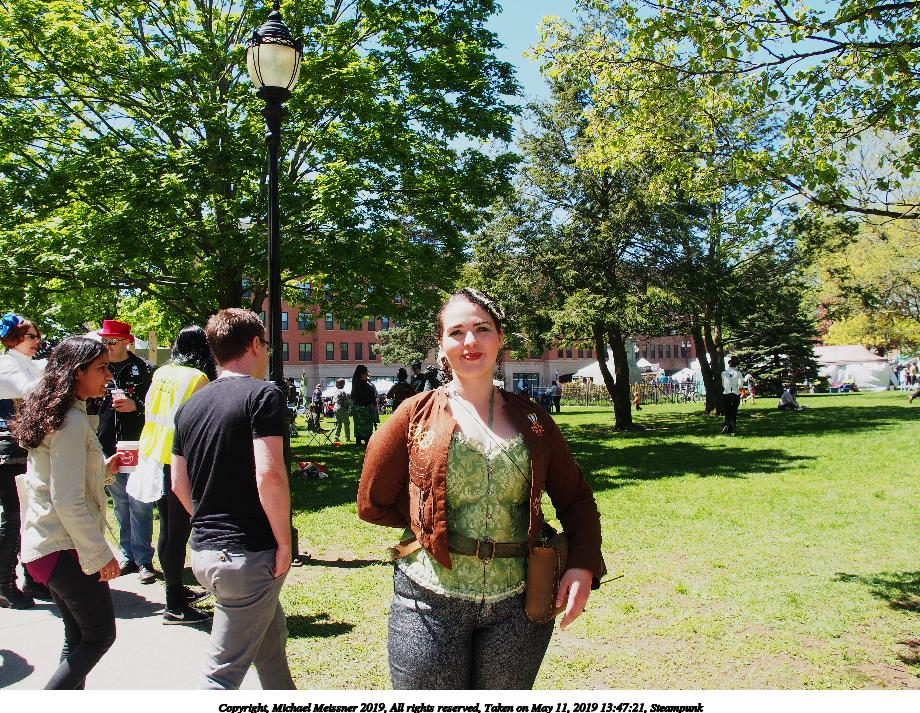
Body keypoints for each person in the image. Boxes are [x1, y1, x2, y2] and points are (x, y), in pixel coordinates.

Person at [358, 288, 605, 690]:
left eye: (482, 329)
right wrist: (429, 524)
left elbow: (575, 498)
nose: (470, 341)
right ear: (441, 344)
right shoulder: (414, 414)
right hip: (428, 601)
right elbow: (372, 502)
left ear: (500, 338)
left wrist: (583, 564)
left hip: (519, 607)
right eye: (456, 332)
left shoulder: (534, 420)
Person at [171, 308, 294, 690]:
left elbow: (177, 482)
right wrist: (284, 543)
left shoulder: (190, 406)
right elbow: (269, 475)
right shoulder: (263, 394)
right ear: (255, 344)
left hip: (205, 554)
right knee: (220, 677)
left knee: (270, 646)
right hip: (246, 557)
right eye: (266, 345)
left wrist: (207, 525)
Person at [14, 337, 122, 688]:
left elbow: (58, 481)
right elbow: (67, 500)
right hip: (62, 547)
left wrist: (103, 470)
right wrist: (100, 554)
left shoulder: (60, 414)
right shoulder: (71, 421)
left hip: (47, 546)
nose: (108, 375)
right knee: (99, 636)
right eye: (102, 368)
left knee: (78, 639)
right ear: (77, 373)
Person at [133, 326, 216, 625]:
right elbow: (204, 424)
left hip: (155, 455)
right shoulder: (198, 378)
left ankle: (176, 590)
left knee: (168, 529)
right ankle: (174, 604)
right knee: (178, 533)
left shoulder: (161, 372)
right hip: (179, 460)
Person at [95, 320, 155, 582]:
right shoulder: (97, 368)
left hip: (137, 445)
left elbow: (156, 405)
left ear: (126, 342)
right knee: (120, 503)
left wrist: (136, 405)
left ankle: (143, 559)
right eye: (104, 341)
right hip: (108, 445)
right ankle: (127, 555)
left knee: (140, 503)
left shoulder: (144, 369)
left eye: (111, 341)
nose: (106, 346)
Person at [0, 313, 51, 607]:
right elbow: (31, 391)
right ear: (14, 338)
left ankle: (33, 578)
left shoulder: (30, 363)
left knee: (31, 516)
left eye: (38, 336)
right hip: (7, 451)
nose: (37, 341)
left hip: (26, 449)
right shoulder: (7, 364)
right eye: (31, 336)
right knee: (14, 516)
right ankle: (4, 583)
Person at [350, 365, 378, 447]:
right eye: (366, 374)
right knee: (367, 425)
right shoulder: (368, 386)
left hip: (357, 408)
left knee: (358, 425)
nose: (367, 376)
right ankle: (366, 440)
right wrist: (373, 408)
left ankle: (358, 441)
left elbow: (353, 397)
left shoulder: (355, 384)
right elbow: (371, 399)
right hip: (366, 408)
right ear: (361, 374)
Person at [720, 356, 743, 435]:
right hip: (735, 394)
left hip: (726, 394)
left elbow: (723, 384)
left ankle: (726, 425)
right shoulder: (739, 373)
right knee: (733, 413)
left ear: (729, 364)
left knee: (727, 412)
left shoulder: (723, 373)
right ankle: (732, 430)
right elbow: (740, 386)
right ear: (736, 365)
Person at [332, 378, 352, 442]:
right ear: (342, 384)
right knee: (346, 423)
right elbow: (345, 401)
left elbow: (333, 401)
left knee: (339, 423)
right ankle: (347, 438)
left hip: (335, 408)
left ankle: (336, 437)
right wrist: (349, 403)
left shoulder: (336, 391)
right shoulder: (342, 391)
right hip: (341, 408)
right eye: (344, 383)